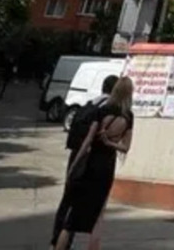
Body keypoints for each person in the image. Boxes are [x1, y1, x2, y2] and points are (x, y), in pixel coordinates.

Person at [52, 77, 134, 250]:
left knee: (72, 219)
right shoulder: (128, 116)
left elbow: (88, 141)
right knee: (98, 216)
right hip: (107, 166)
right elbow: (125, 148)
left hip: (90, 163)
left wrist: (74, 166)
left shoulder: (102, 110)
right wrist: (110, 142)